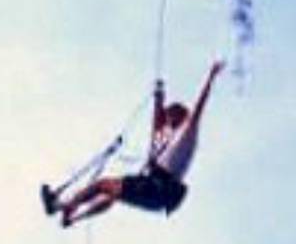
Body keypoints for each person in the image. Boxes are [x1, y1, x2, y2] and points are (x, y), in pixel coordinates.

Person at [43, 60, 222, 225]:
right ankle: (71, 216)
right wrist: (159, 98)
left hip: (159, 187)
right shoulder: (166, 139)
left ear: (178, 116)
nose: (166, 123)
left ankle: (62, 207)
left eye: (169, 118)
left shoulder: (186, 131)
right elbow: (157, 125)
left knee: (104, 186)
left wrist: (211, 77)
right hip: (156, 188)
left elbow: (198, 108)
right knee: (110, 191)